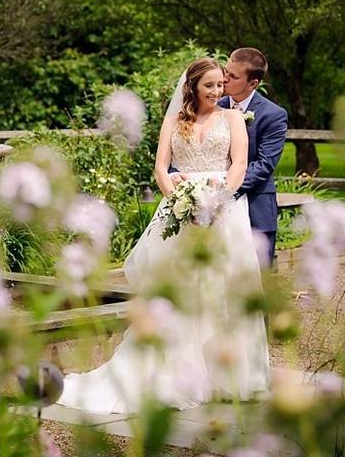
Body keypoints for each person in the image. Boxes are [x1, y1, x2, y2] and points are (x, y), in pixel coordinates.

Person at [56, 57, 270, 415]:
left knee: (223, 290)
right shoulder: (174, 121)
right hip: (181, 215)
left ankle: (229, 374)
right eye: (210, 86)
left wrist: (216, 201)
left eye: (221, 85)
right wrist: (179, 199)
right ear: (192, 87)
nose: (218, 91)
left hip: (224, 213)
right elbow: (161, 168)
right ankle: (177, 374)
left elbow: (239, 165)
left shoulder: (233, 118)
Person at [217, 48, 288, 265]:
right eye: (225, 72)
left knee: (257, 284)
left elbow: (264, 165)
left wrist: (222, 188)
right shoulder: (211, 108)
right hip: (213, 213)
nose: (224, 79)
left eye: (233, 76)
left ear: (253, 83)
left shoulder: (273, 115)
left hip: (255, 208)